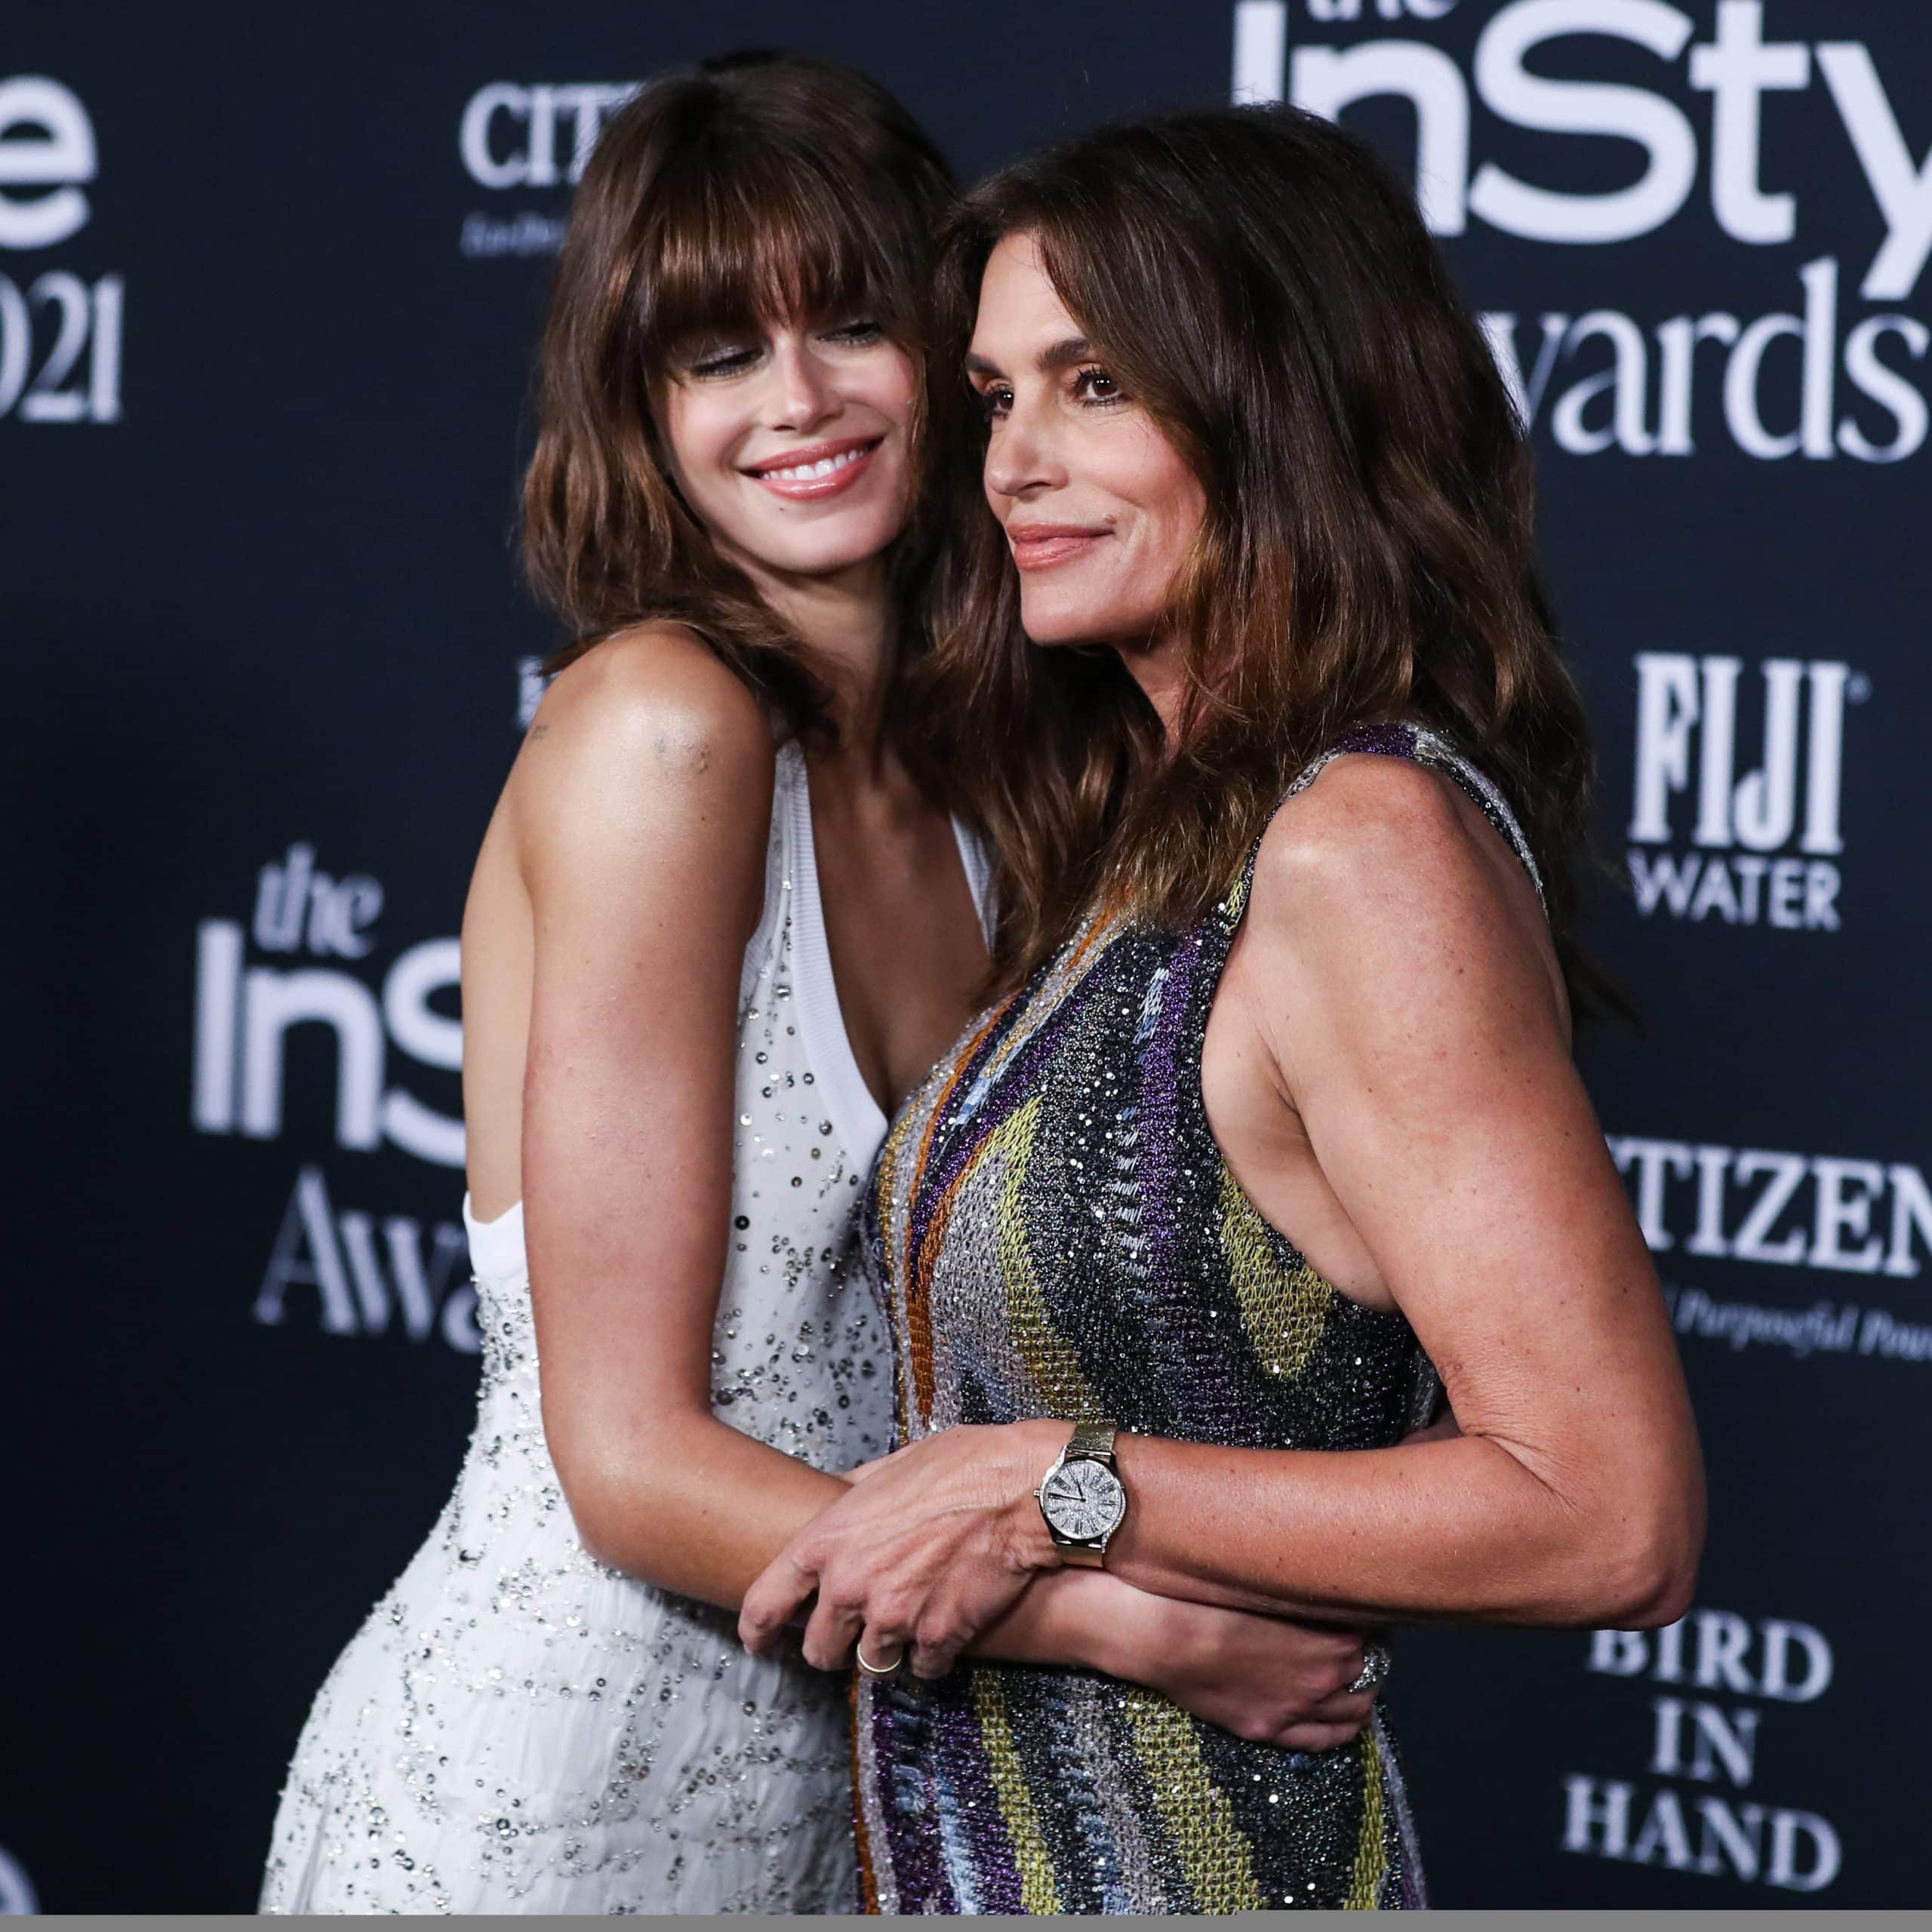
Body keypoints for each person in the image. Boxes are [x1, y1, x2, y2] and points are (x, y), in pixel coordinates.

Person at [261, 63, 1389, 1915]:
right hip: (549, 1797)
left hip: (867, 1782)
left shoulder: (1000, 782)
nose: (795, 402)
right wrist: (1141, 1627)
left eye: (851, 324)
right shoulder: (658, 726)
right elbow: (628, 1461)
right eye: (716, 353)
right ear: (639, 409)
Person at [739, 105, 1707, 1913]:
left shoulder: (1361, 844)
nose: (1012, 459)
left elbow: (1608, 1510)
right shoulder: (1154, 832)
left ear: (1277, 400)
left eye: (1092, 383)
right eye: (994, 395)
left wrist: (1058, 1488)